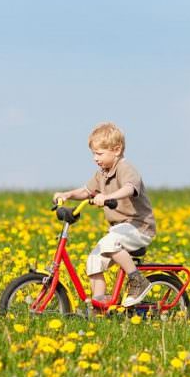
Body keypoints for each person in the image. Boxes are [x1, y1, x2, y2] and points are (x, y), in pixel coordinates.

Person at [52, 122, 156, 308]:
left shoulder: (126, 168)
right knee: (94, 261)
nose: (95, 158)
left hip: (139, 227)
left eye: (99, 154)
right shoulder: (102, 173)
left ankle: (138, 281)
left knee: (109, 242)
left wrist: (108, 197)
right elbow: (86, 191)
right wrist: (67, 195)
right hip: (120, 229)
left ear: (116, 150)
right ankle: (99, 307)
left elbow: (130, 188)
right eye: (93, 154)